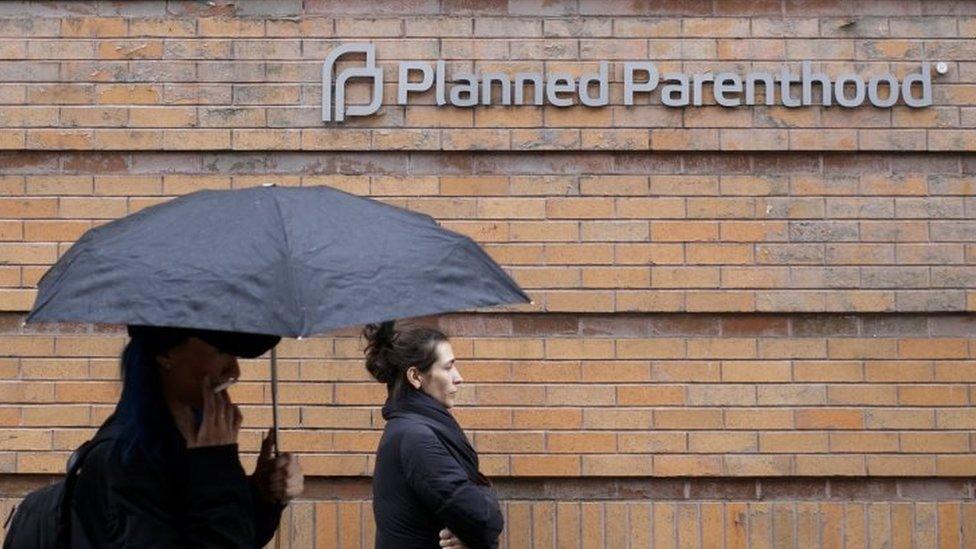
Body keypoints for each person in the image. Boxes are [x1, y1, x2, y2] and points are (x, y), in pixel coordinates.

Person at [69, 325, 304, 547]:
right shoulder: (124, 460)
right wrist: (217, 469)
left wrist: (261, 496)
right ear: (165, 353)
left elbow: (234, 535)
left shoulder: (192, 440)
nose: (235, 370)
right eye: (221, 350)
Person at [365, 321, 503, 549]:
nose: (459, 377)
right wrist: (482, 510)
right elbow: (484, 520)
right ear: (416, 377)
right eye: (448, 367)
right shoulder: (416, 437)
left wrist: (470, 533)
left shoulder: (411, 428)